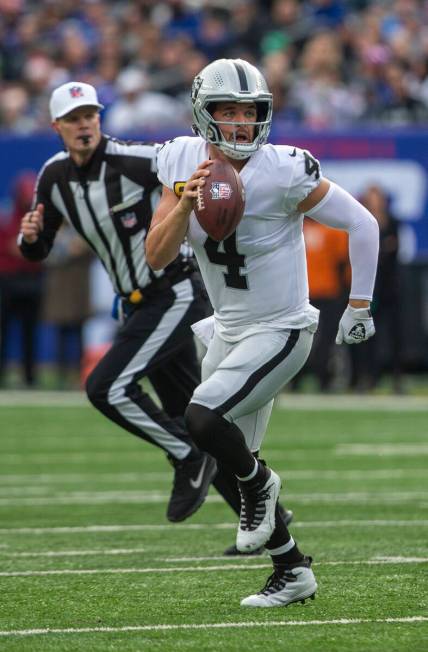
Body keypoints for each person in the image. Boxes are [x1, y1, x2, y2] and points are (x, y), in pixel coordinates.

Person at [146, 58, 379, 608]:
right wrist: (184, 202)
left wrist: (360, 304)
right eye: (227, 111)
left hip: (281, 328)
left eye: (249, 112)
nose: (240, 123)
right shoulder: (180, 159)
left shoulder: (284, 169)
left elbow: (362, 223)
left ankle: (260, 482)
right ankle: (292, 570)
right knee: (231, 452)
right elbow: (156, 254)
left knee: (203, 417)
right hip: (228, 329)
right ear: (205, 115)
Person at [17, 80, 266, 537]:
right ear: (57, 126)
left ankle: (186, 456)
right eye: (73, 119)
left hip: (174, 291)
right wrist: (30, 237)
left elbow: (195, 165)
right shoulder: (54, 177)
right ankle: (267, 518)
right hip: (135, 306)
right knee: (202, 420)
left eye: (90, 115)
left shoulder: (136, 159)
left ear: (100, 118)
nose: (84, 125)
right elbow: (38, 246)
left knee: (105, 388)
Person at [0, 171, 43, 387]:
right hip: (8, 280)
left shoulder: (38, 217)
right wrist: (27, 248)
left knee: (30, 331)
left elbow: (41, 248)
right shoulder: (7, 215)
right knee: (3, 330)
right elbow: (10, 246)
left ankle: (29, 377)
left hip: (31, 279)